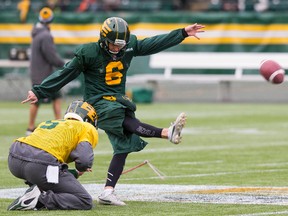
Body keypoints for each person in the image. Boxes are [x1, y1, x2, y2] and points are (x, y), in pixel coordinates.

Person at [22, 17, 205, 206]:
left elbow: (153, 44)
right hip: (97, 103)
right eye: (113, 44)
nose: (117, 49)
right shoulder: (89, 52)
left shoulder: (129, 45)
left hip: (118, 99)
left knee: (123, 145)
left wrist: (182, 33)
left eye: (121, 45)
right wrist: (39, 90)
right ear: (103, 39)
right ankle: (166, 133)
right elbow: (66, 72)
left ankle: (107, 191)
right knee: (122, 118)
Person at [7, 100, 98, 210]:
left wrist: (75, 172)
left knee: (46, 170)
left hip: (15, 157)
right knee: (84, 200)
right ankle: (38, 200)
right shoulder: (86, 127)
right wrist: (82, 167)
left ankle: (38, 190)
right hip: (39, 164)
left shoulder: (50, 122)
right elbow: (84, 160)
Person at [26, 7, 65, 135]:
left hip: (36, 73)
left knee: (37, 101)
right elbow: (51, 56)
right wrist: (62, 64)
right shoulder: (46, 35)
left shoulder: (36, 33)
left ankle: (30, 127)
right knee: (56, 98)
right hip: (45, 74)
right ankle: (58, 123)